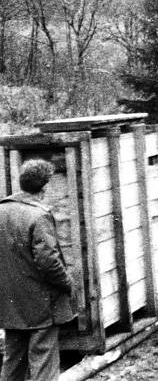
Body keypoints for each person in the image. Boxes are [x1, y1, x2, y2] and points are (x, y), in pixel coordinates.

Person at [0, 159, 76, 381]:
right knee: (43, 363)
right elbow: (48, 262)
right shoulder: (39, 216)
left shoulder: (1, 210)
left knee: (13, 361)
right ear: (44, 187)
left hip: (9, 302)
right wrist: (67, 284)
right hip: (40, 304)